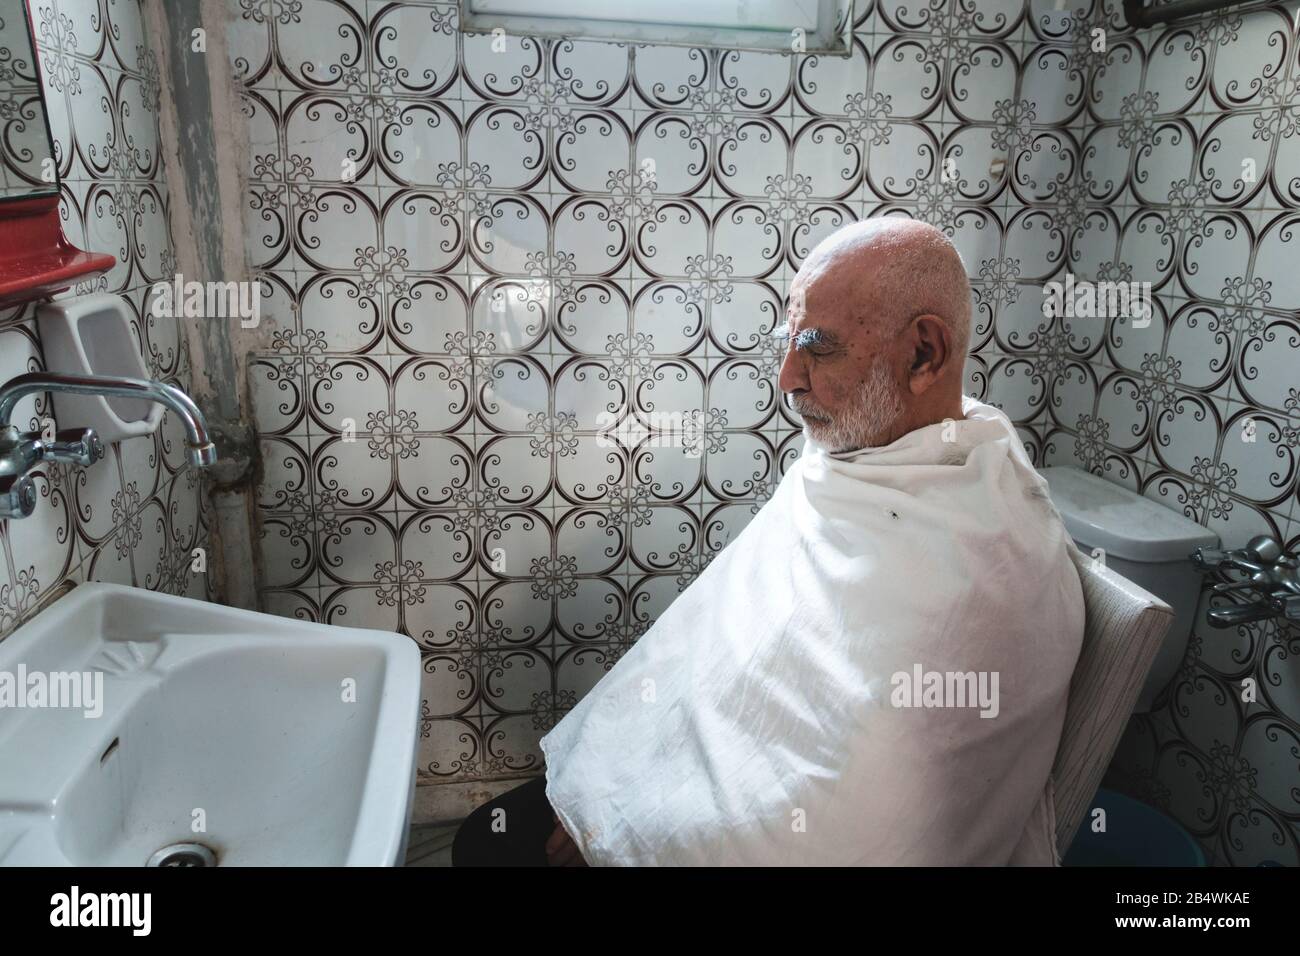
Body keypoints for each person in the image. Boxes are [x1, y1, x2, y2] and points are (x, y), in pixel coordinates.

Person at [452, 218, 1085, 866]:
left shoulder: (975, 564)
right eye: (788, 345)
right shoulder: (852, 460)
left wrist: (628, 839)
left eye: (819, 348)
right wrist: (616, 799)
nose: (787, 379)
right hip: (681, 790)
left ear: (924, 354)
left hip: (743, 833)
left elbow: (856, 812)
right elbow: (723, 660)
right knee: (483, 837)